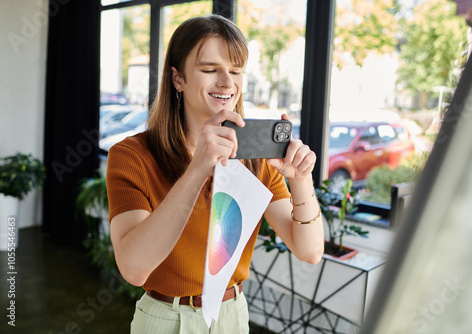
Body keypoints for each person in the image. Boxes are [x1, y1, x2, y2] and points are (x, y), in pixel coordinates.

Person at [106, 14, 324, 334]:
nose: (227, 82)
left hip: (232, 316)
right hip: (167, 318)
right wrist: (198, 167)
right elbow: (134, 269)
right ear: (178, 79)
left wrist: (301, 179)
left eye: (236, 71)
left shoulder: (255, 161)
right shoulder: (132, 156)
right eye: (210, 70)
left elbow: (310, 251)